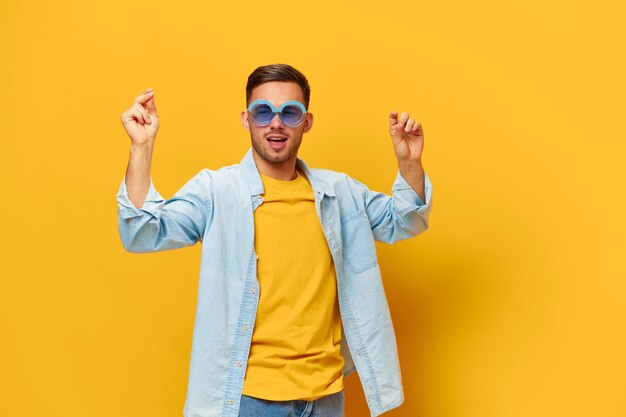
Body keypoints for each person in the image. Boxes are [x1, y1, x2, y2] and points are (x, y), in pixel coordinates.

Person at [117, 63, 433, 417]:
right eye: (263, 112)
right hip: (247, 401)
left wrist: (410, 164)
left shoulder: (339, 193)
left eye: (290, 112)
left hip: (326, 398)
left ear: (307, 122)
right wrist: (141, 148)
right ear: (246, 119)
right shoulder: (217, 191)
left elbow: (405, 220)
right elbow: (142, 232)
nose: (276, 123)